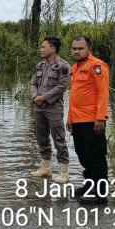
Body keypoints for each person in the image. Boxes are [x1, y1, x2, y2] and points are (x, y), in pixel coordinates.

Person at [67, 35, 110, 204]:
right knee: (83, 154)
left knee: (95, 155)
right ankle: (90, 185)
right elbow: (75, 96)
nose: (76, 51)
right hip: (78, 120)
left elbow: (103, 93)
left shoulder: (97, 66)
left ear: (89, 49)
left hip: (93, 121)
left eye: (80, 48)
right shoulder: (76, 67)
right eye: (74, 48)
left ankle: (100, 194)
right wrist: (69, 118)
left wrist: (101, 118)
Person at [30, 37, 71, 183]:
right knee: (41, 137)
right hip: (39, 108)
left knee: (59, 138)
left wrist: (44, 98)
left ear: (52, 49)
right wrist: (36, 97)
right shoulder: (40, 65)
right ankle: (46, 168)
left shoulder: (63, 66)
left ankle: (63, 172)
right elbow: (34, 82)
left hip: (53, 108)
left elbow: (61, 87)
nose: (41, 49)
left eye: (43, 47)